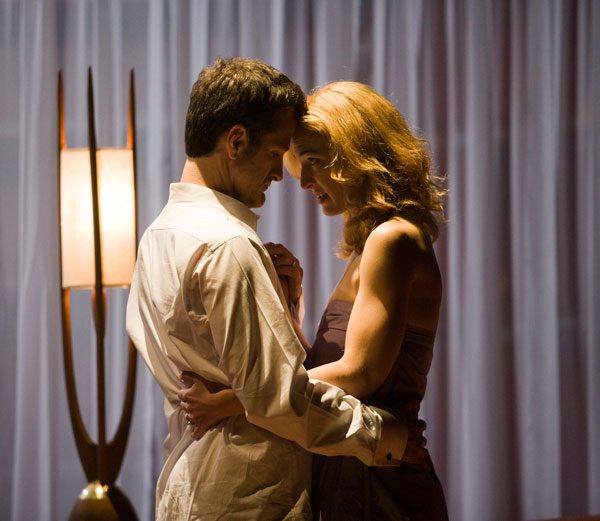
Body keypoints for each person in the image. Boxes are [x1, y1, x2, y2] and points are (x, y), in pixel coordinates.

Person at [126, 59, 411, 521]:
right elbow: (275, 400)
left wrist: (284, 308)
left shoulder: (157, 235)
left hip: (193, 483)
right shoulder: (229, 245)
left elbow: (229, 367)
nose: (282, 174)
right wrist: (382, 436)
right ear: (236, 141)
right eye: (277, 152)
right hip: (249, 493)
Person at [179, 80, 449, 520]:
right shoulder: (373, 244)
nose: (303, 182)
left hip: (381, 483)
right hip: (351, 468)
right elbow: (335, 366)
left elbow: (360, 375)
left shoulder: (392, 238)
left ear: (357, 155)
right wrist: (289, 309)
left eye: (314, 162)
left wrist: (231, 401)